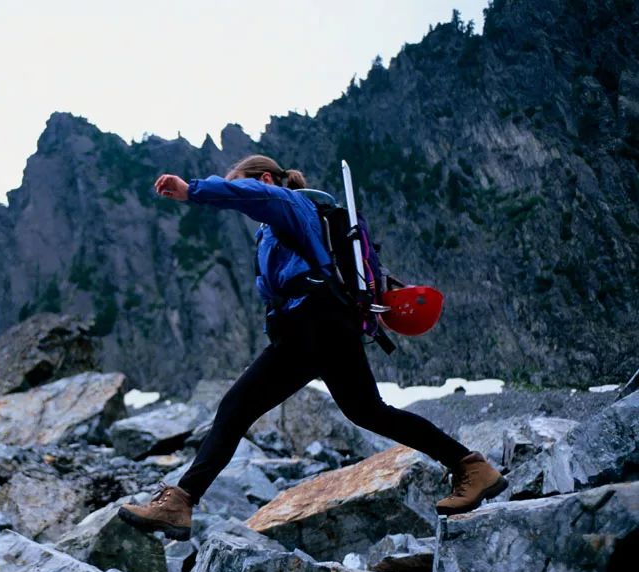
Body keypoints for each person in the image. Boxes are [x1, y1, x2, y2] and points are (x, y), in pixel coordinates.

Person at [117, 155, 507, 542]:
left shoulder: (289, 202)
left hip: (313, 323)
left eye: (240, 183)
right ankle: (470, 466)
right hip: (325, 326)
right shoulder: (285, 221)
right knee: (368, 412)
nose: (240, 197)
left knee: (237, 408)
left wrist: (194, 191)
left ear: (265, 178)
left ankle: (180, 502)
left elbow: (249, 195)